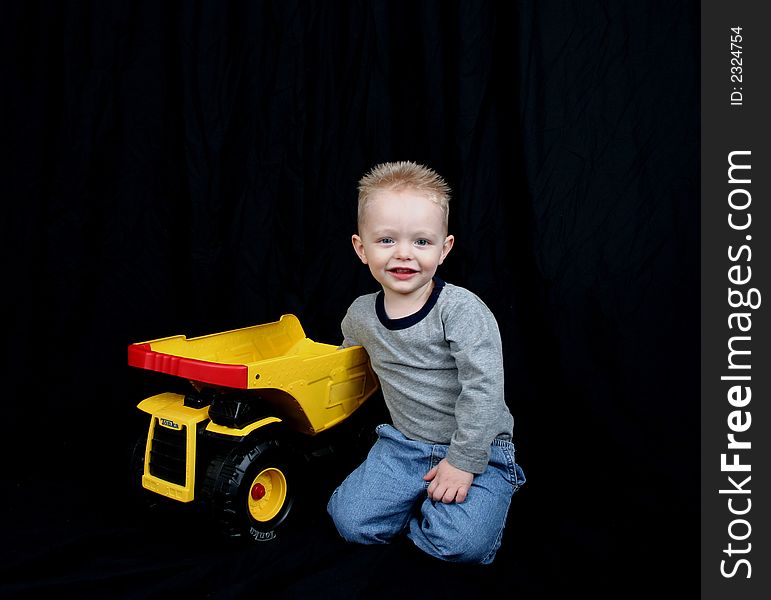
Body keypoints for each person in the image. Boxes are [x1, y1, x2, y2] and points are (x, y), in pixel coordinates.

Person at [327, 161, 525, 564]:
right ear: (361, 248)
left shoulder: (461, 311)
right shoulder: (361, 315)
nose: (404, 253)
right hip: (404, 444)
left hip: (477, 447)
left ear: (444, 248)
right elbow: (345, 366)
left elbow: (484, 391)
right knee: (350, 522)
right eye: (386, 240)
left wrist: (463, 462)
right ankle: (418, 499)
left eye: (421, 241)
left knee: (461, 545)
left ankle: (474, 496)